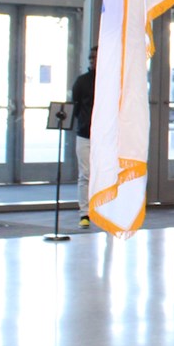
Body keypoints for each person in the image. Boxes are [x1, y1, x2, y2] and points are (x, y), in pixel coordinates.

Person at [72, 46, 96, 228]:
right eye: (91, 58)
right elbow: (76, 107)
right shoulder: (82, 81)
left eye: (96, 58)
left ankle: (104, 210)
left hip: (105, 136)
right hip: (85, 133)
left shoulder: (111, 81)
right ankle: (84, 213)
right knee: (85, 174)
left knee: (105, 173)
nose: (93, 61)